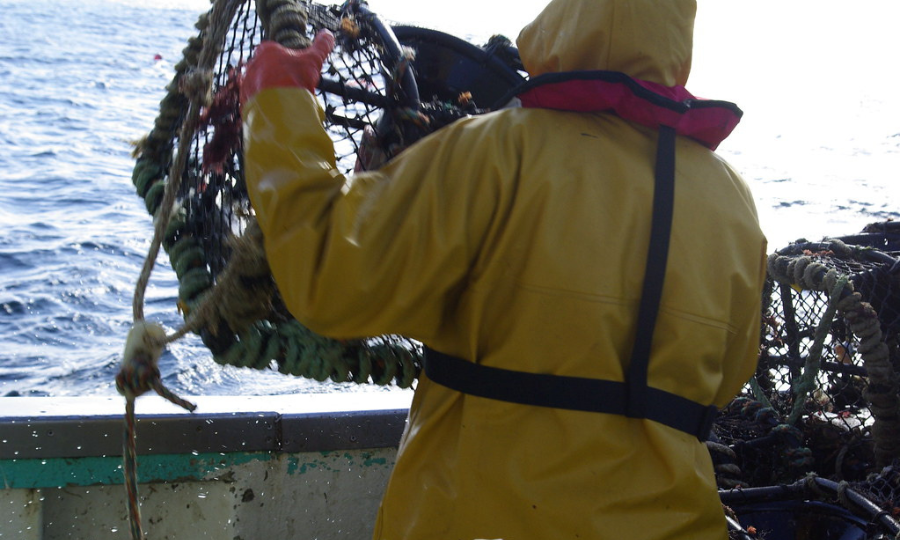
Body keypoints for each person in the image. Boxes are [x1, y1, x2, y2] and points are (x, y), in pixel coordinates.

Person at [240, 0, 767, 538]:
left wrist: (279, 107)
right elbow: (727, 378)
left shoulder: (491, 152)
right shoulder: (733, 202)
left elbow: (331, 279)